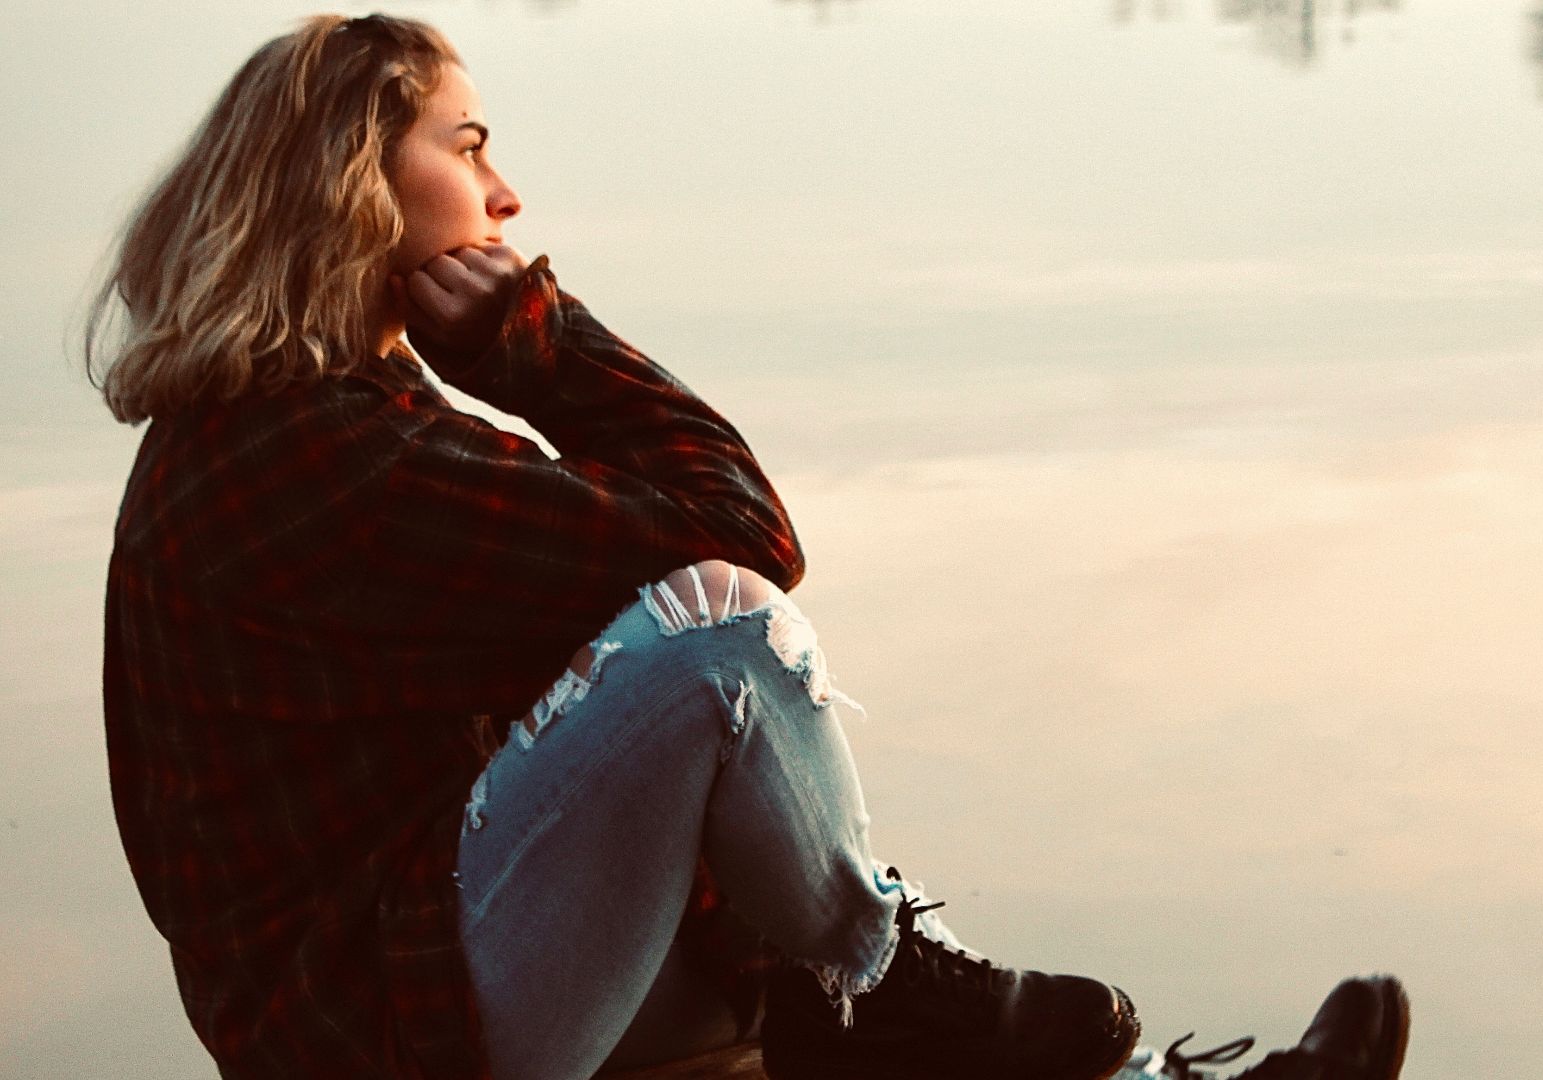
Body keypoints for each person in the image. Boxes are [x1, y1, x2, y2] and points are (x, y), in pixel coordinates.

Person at [88, 13, 1409, 1080]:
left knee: (692, 660)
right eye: (467, 144)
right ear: (353, 185)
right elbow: (739, 550)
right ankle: (886, 989)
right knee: (720, 642)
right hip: (391, 1022)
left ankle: (930, 1015)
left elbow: (635, 624)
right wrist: (545, 347)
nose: (504, 191)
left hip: (414, 983)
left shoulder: (311, 428)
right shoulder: (318, 465)